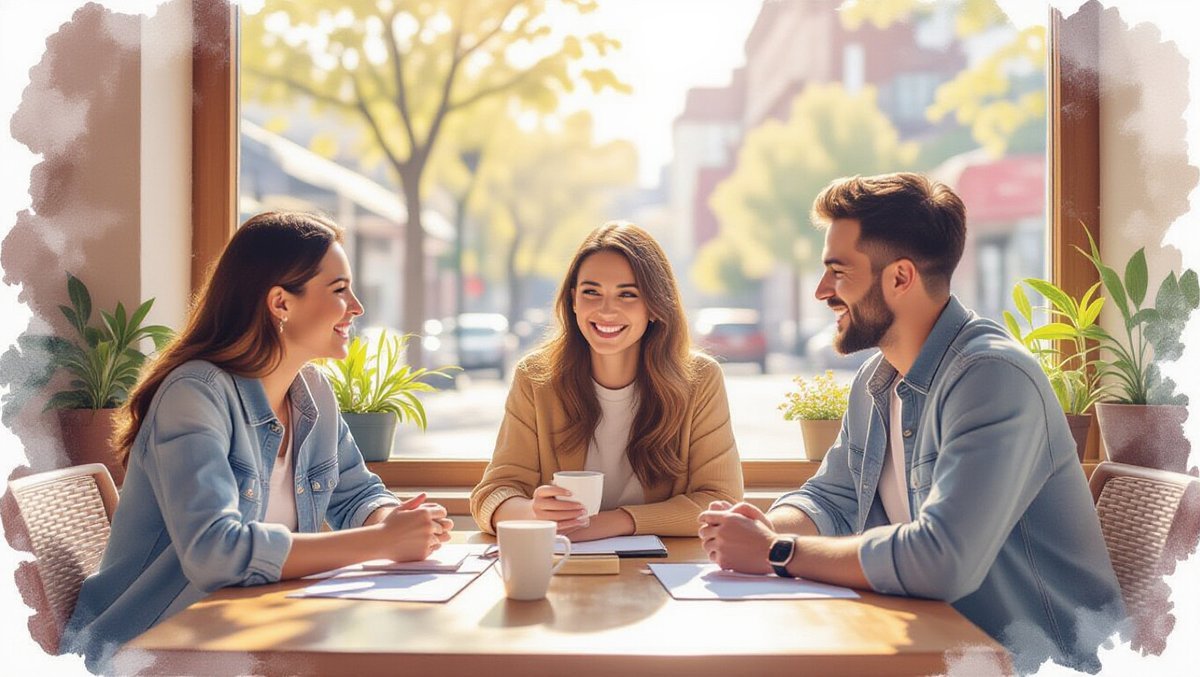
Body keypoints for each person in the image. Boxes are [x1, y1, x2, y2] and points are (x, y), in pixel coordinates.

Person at [698, 174, 1125, 674]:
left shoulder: (991, 379)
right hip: (939, 645)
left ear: (900, 278)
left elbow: (941, 560)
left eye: (838, 271)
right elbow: (833, 498)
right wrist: (765, 525)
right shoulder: (877, 381)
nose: (821, 291)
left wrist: (777, 552)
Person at [62, 212, 452, 671]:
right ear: (280, 303)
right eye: (339, 289)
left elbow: (356, 492)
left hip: (250, 635)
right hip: (147, 650)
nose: (356, 306)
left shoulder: (313, 394)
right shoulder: (194, 395)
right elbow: (215, 553)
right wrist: (382, 542)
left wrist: (395, 521)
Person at [470, 222, 743, 540]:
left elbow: (721, 503)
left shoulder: (699, 380)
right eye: (591, 292)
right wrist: (533, 511)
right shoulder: (535, 378)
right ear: (573, 301)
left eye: (627, 294)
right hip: (563, 567)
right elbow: (493, 494)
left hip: (662, 570)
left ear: (655, 305)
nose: (606, 309)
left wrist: (613, 523)